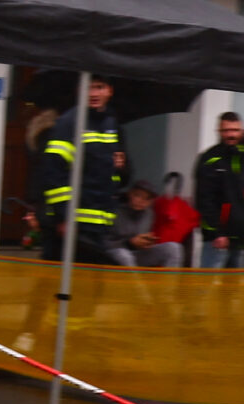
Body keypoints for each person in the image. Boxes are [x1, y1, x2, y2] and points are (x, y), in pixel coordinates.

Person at [35, 77, 124, 265]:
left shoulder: (111, 124)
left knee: (92, 286)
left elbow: (118, 177)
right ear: (78, 91)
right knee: (56, 284)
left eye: (99, 87)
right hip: (71, 228)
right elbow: (53, 173)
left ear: (109, 91)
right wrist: (64, 217)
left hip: (99, 226)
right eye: (88, 88)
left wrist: (122, 167)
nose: (93, 94)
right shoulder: (69, 123)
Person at [195, 111, 244, 267]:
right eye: (226, 130)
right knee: (209, 287)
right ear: (219, 131)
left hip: (242, 238)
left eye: (235, 130)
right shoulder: (210, 159)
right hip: (217, 240)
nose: (231, 134)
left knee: (237, 289)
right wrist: (217, 233)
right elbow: (204, 200)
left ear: (242, 131)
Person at [106, 181, 182, 268]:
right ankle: (136, 282)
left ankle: (169, 281)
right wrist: (129, 243)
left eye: (147, 198)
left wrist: (147, 242)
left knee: (173, 248)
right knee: (124, 255)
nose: (141, 201)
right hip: (116, 255)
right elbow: (105, 244)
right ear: (130, 194)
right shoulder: (115, 212)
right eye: (138, 195)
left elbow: (142, 240)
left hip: (137, 254)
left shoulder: (149, 214)